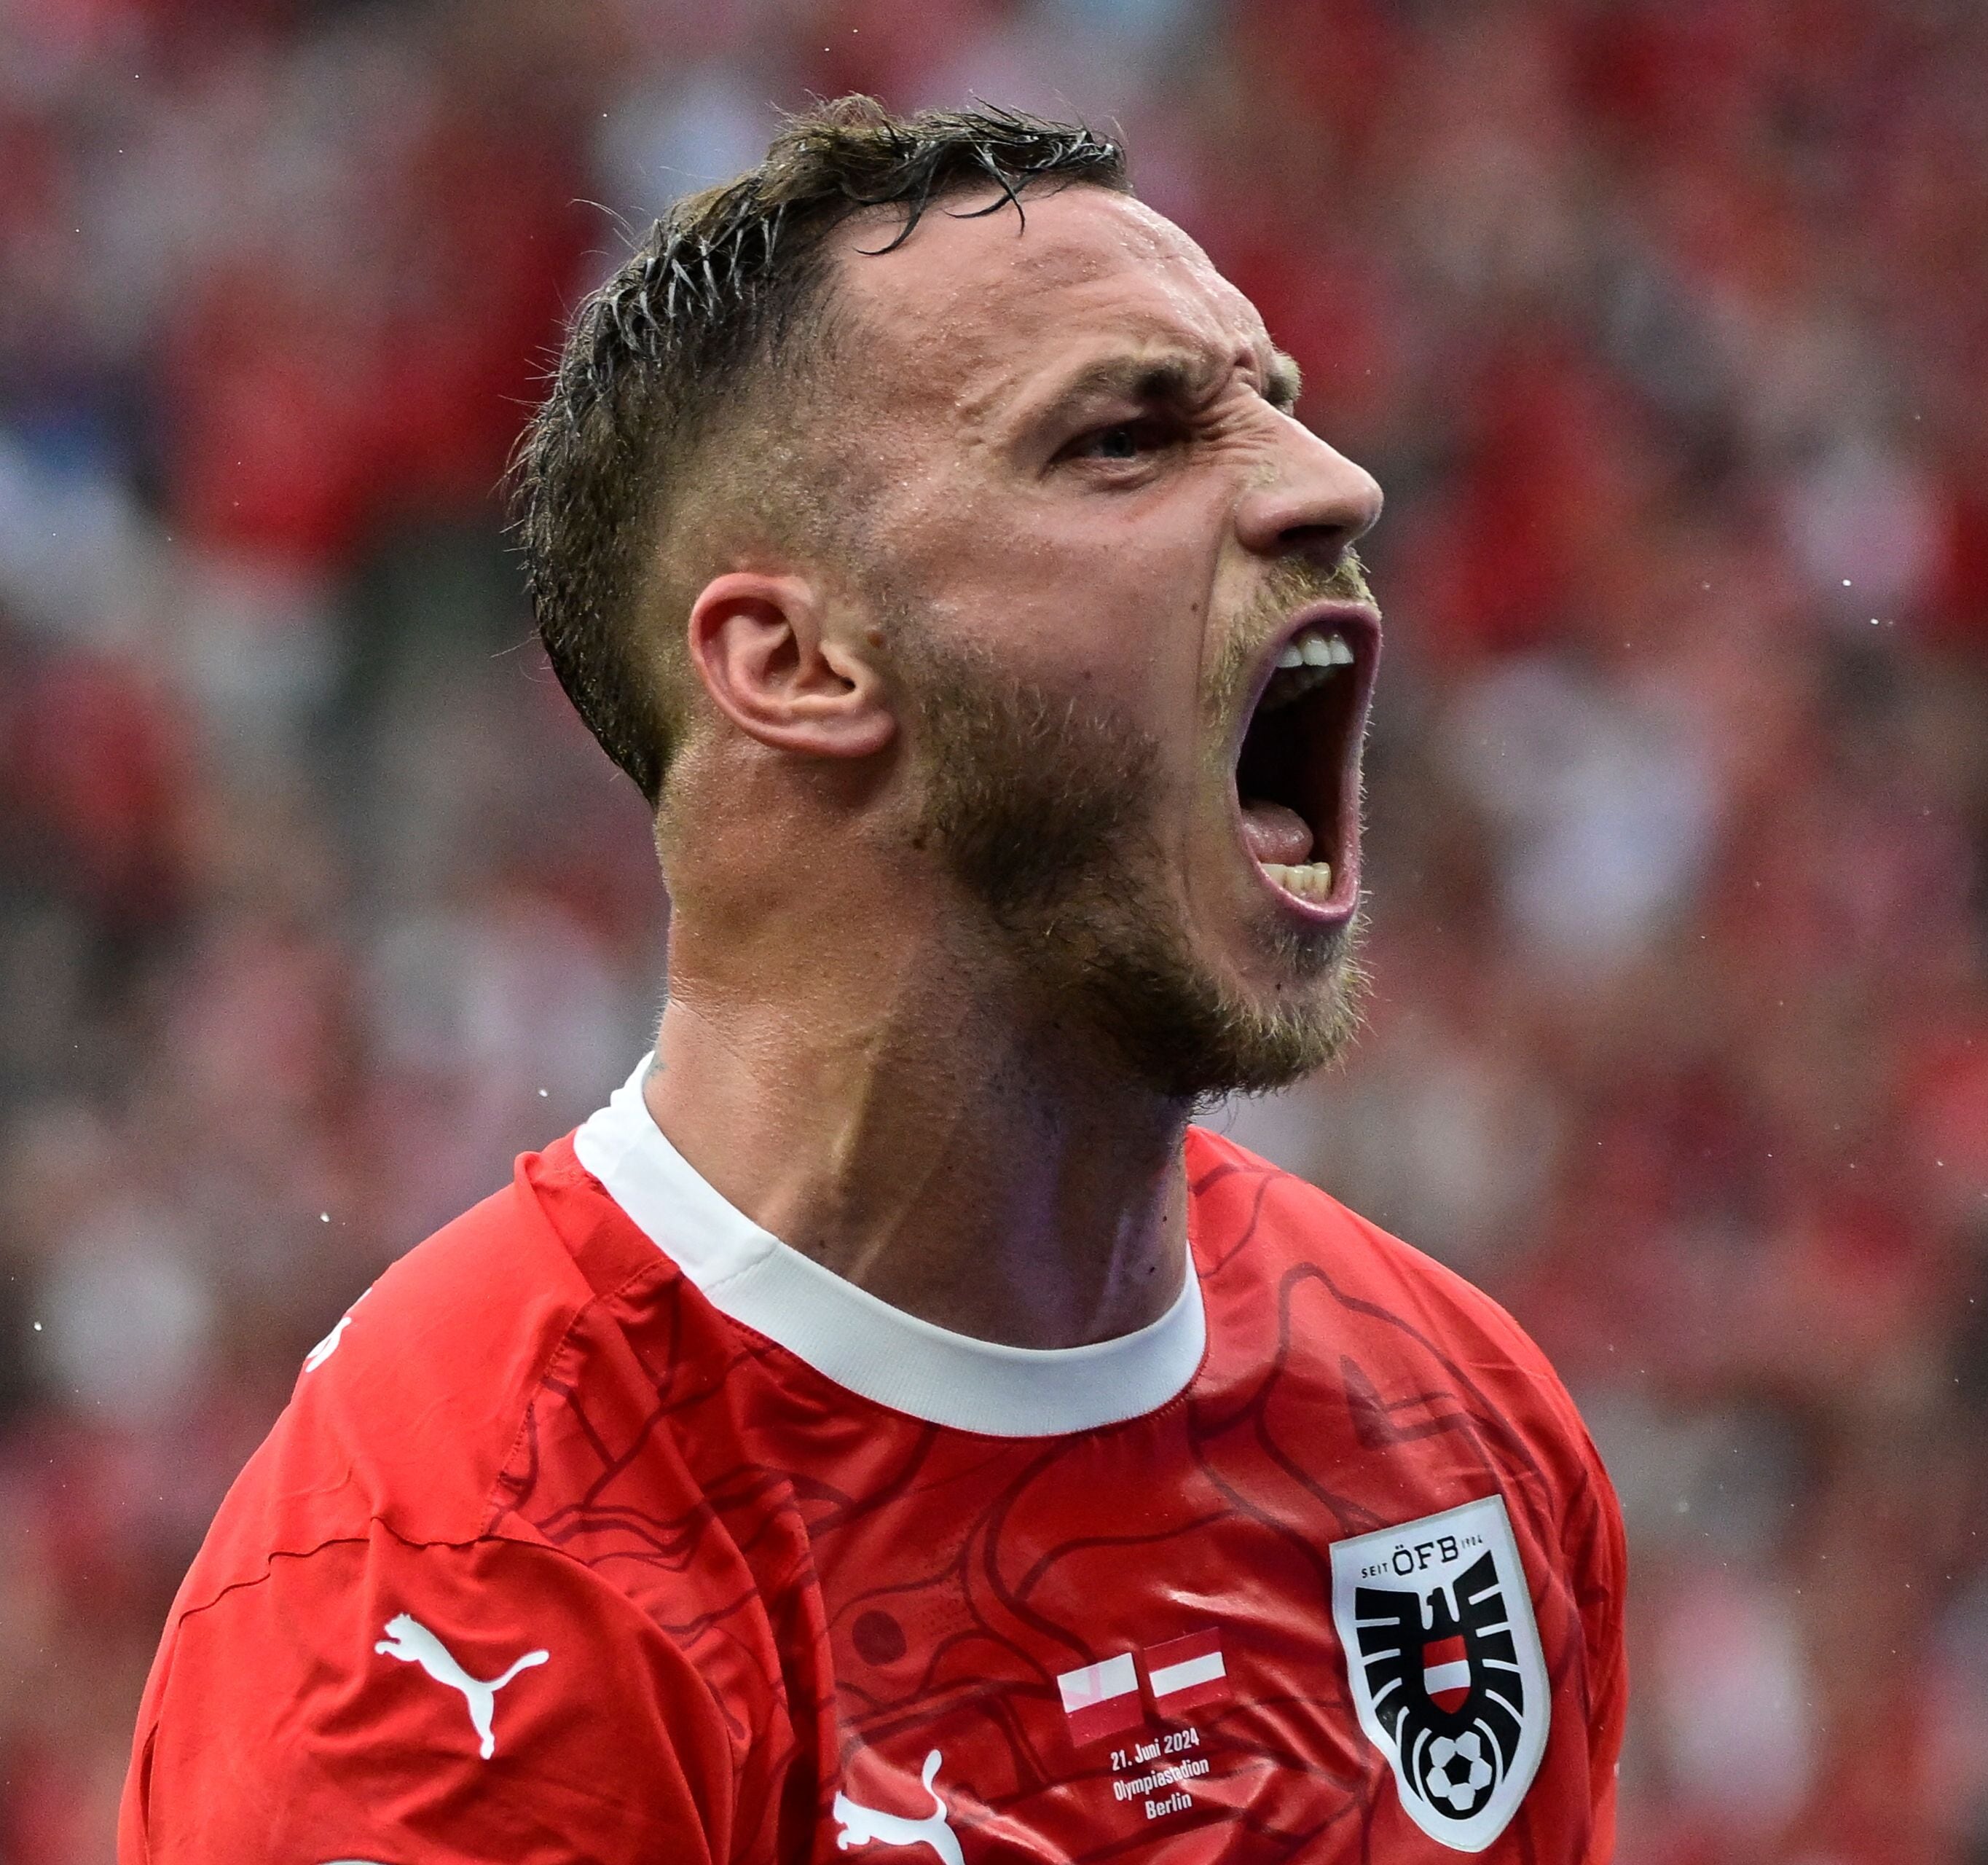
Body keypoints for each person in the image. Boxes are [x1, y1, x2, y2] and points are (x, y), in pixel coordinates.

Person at [118, 98, 1625, 1863]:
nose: (1333, 484)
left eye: (1273, 404)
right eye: (1127, 439)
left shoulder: (1458, 1431)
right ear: (794, 660)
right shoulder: (464, 1592)